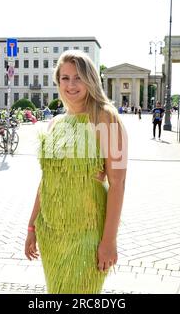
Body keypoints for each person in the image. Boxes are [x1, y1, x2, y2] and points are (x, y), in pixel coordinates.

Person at [24, 50, 128, 294]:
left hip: (88, 232)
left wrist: (109, 241)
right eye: (65, 78)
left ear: (90, 79)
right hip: (51, 232)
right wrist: (32, 227)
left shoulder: (105, 118)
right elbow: (47, 179)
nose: (71, 85)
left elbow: (118, 184)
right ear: (58, 81)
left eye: (78, 77)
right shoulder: (56, 123)